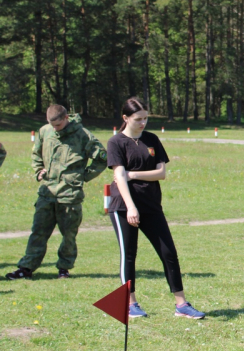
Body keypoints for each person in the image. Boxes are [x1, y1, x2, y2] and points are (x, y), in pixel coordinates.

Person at [106, 97, 205, 319]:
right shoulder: (116, 142)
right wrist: (131, 208)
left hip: (151, 205)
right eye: (138, 119)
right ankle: (130, 304)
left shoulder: (152, 139)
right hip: (124, 207)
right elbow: (119, 177)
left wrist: (133, 174)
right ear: (125, 118)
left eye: (146, 118)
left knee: (169, 253)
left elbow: (161, 173)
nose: (143, 123)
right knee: (129, 255)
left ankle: (181, 304)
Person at [6, 105, 107, 280]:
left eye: (58, 125)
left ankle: (64, 268)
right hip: (47, 193)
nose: (55, 129)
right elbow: (36, 153)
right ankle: (26, 268)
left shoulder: (82, 135)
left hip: (69, 194)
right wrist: (39, 170)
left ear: (66, 118)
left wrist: (83, 176)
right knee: (38, 232)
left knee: (68, 235)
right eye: (52, 125)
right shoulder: (45, 131)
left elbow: (102, 158)